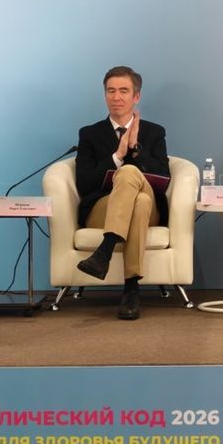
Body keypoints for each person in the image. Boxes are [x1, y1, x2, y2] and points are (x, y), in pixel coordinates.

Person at [74, 66, 169, 320]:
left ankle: (104, 251)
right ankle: (131, 290)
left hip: (152, 211)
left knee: (132, 179)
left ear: (136, 96)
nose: (116, 97)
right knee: (139, 201)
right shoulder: (89, 134)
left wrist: (135, 147)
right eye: (111, 91)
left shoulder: (154, 132)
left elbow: (164, 178)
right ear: (105, 94)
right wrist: (117, 156)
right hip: (102, 209)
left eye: (124, 91)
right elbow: (84, 184)